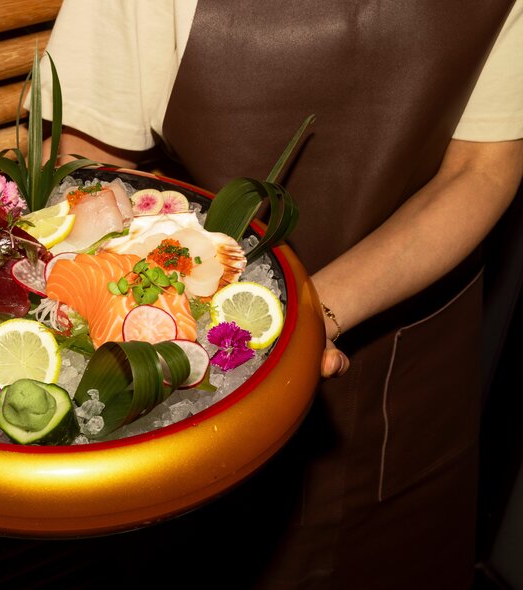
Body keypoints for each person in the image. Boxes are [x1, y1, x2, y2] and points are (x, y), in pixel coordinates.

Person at [38, 1, 523, 589]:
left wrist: (310, 314)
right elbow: (89, 165)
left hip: (415, 357)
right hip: (196, 362)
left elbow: (483, 166)